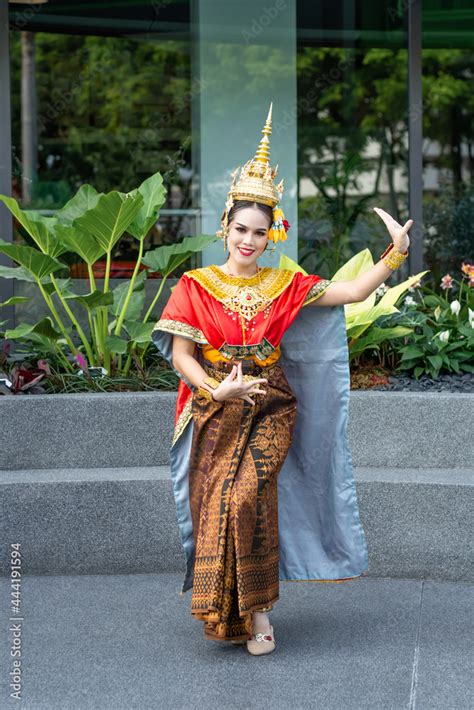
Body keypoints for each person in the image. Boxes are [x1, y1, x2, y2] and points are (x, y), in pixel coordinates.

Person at [151, 103, 411, 656]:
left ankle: (261, 609)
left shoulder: (285, 282)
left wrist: (396, 253)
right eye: (241, 229)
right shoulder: (194, 285)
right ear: (225, 226)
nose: (249, 240)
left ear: (273, 235)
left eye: (260, 232)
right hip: (215, 402)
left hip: (270, 403)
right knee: (216, 501)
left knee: (249, 496)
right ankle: (235, 614)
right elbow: (180, 354)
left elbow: (354, 293)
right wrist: (214, 390)